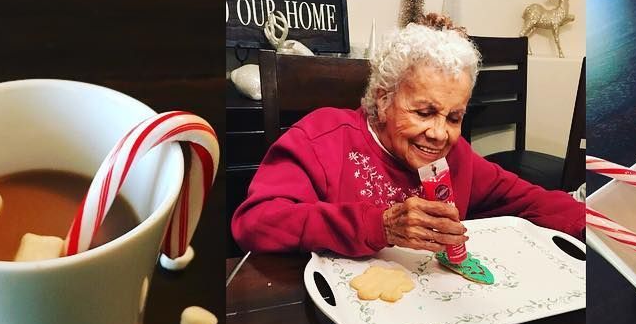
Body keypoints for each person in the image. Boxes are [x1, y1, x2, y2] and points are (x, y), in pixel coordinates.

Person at [232, 14, 586, 256]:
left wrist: (598, 222)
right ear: (384, 99)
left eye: (454, 116)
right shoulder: (321, 139)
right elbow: (255, 223)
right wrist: (379, 226)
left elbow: (531, 200)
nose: (438, 134)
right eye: (424, 112)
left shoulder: (456, 156)